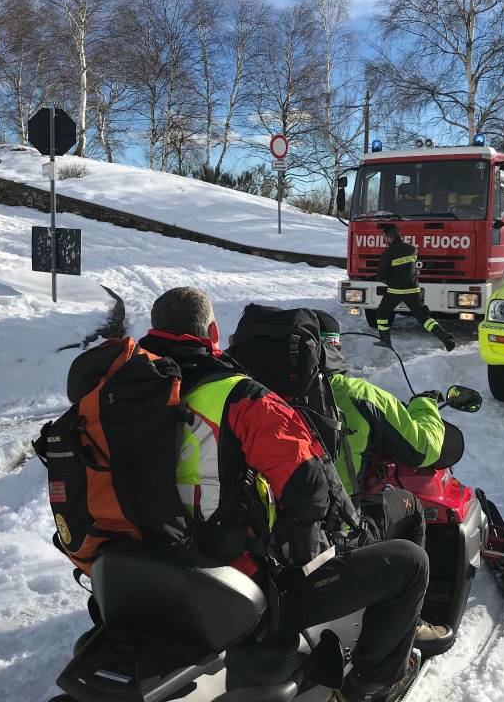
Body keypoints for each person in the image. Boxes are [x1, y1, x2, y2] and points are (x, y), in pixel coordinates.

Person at [139, 287, 428, 702]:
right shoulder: (242, 398)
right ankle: (374, 683)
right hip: (237, 584)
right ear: (213, 332)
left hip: (142, 570)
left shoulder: (128, 391)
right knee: (410, 563)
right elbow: (310, 490)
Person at [314, 310, 455, 653]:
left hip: (274, 533)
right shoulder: (357, 394)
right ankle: (406, 627)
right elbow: (424, 448)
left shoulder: (259, 393)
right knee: (409, 507)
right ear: (334, 348)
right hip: (339, 533)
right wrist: (425, 406)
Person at [374, 224, 455, 351]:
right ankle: (445, 337)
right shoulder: (413, 249)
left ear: (387, 237)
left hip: (396, 290)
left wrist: (387, 281)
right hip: (414, 290)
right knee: (423, 317)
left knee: (381, 313)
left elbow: (381, 276)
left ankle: (385, 340)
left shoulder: (388, 253)